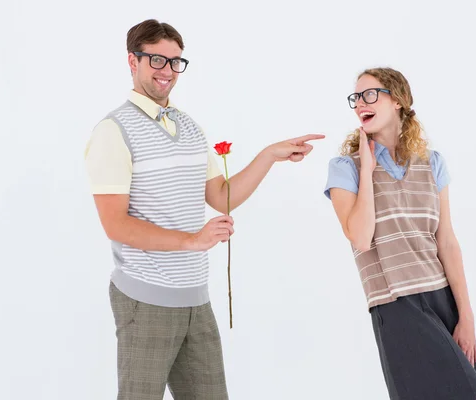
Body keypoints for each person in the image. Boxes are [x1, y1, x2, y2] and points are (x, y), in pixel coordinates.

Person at [84, 19, 324, 400]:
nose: (168, 72)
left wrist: (269, 156)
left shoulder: (190, 128)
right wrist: (193, 240)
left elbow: (221, 197)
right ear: (133, 61)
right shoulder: (113, 131)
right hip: (144, 301)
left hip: (196, 299)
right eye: (157, 60)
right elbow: (115, 224)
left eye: (176, 62)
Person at [324, 67, 476, 400]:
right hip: (396, 305)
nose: (360, 104)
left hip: (443, 299)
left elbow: (446, 242)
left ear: (397, 100)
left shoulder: (432, 163)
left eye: (369, 94)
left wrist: (466, 315)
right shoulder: (346, 169)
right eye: (355, 98)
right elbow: (359, 236)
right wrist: (369, 171)